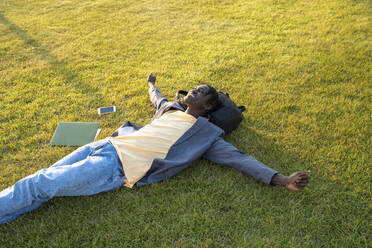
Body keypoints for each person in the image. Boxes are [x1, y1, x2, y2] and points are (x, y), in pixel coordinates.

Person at [0, 73, 309, 224]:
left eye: (202, 91)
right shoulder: (171, 110)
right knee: (44, 183)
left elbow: (240, 159)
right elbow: (157, 98)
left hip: (116, 168)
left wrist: (280, 179)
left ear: (208, 107)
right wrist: (150, 83)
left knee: (40, 183)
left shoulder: (207, 135)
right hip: (106, 145)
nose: (194, 88)